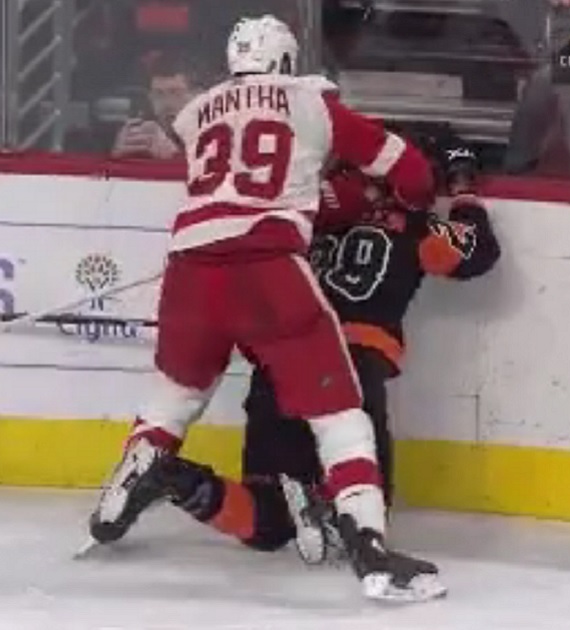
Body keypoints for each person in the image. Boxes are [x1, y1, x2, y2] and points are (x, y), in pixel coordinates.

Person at [86, 14, 443, 602]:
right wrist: (391, 191)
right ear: (285, 61)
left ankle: (122, 492)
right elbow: (411, 174)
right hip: (269, 268)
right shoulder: (312, 101)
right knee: (339, 413)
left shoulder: (196, 112)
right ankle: (371, 550)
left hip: (189, 268)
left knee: (174, 396)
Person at [151, 128, 501, 565]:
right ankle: (321, 496)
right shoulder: (414, 228)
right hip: (354, 364)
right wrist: (464, 187)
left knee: (266, 524)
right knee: (366, 512)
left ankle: (182, 482)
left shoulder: (303, 216)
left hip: (280, 362)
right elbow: (478, 252)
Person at [111, 51, 197, 159]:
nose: (167, 103)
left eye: (176, 93)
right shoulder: (140, 136)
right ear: (150, 98)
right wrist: (117, 157)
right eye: (158, 94)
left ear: (197, 96)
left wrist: (174, 156)